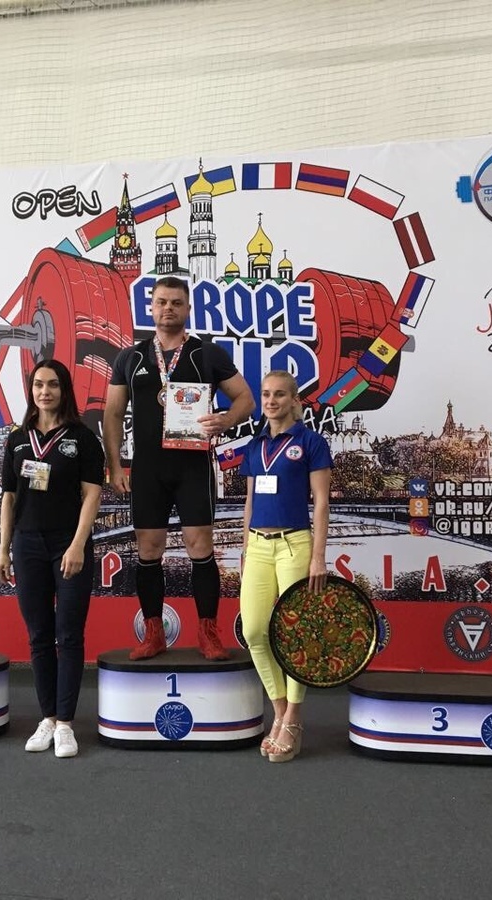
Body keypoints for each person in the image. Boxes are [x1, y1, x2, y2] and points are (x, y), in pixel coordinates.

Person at [103, 275, 256, 660]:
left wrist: (226, 420)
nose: (168, 308)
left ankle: (208, 633)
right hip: (148, 469)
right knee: (148, 549)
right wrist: (115, 465)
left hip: (193, 467)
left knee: (200, 546)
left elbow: (246, 399)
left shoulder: (207, 354)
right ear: (151, 308)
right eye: (161, 302)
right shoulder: (131, 358)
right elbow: (112, 413)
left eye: (175, 302)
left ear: (188, 308)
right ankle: (153, 633)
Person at [0, 359, 105, 758]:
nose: (45, 391)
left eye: (53, 385)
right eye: (39, 384)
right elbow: (9, 498)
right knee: (39, 635)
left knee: (69, 635)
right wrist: (3, 550)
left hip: (67, 544)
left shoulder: (83, 438)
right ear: (31, 390)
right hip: (27, 545)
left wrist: (77, 544)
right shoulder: (16, 439)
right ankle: (47, 717)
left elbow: (92, 494)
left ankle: (66, 724)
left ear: (64, 390)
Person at [239, 370, 332, 763]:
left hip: (295, 544)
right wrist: (245, 548)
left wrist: (318, 556)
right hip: (258, 546)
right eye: (266, 394)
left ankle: (293, 718)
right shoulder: (254, 445)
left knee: (294, 635)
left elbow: (322, 502)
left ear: (295, 400)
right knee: (254, 630)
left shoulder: (311, 442)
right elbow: (249, 501)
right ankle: (279, 710)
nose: (271, 401)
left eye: (279, 394)